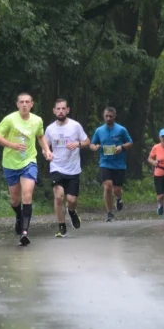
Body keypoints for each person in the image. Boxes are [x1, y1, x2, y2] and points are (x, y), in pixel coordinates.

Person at [0, 92, 52, 246]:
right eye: (21, 102)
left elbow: (40, 136)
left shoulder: (37, 120)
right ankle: (19, 215)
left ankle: (24, 232)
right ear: (17, 104)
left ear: (32, 104)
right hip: (10, 162)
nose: (24, 105)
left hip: (29, 161)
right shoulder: (10, 119)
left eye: (27, 102)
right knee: (14, 199)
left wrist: (46, 150)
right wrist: (13, 145)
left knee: (27, 194)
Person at [44, 98, 89, 237]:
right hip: (56, 167)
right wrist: (47, 153)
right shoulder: (50, 129)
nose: (61, 111)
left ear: (68, 110)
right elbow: (45, 146)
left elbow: (87, 141)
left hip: (73, 169)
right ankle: (62, 226)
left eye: (63, 108)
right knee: (59, 196)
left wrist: (77, 144)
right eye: (58, 109)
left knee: (71, 200)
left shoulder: (75, 126)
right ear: (54, 111)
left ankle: (72, 212)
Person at [89, 106, 133, 222]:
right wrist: (95, 147)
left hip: (119, 164)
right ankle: (109, 213)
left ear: (114, 117)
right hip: (105, 163)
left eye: (110, 116)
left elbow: (130, 143)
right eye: (106, 116)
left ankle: (118, 198)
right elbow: (92, 144)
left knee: (116, 189)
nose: (108, 118)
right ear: (103, 116)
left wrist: (122, 147)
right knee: (107, 186)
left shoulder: (121, 130)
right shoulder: (99, 131)